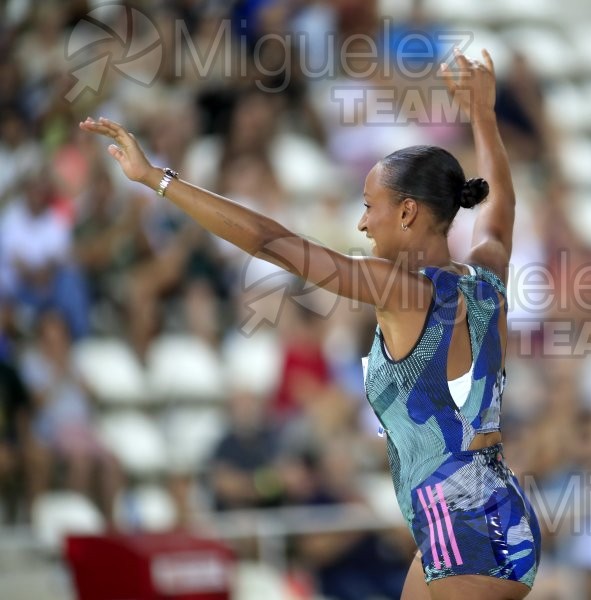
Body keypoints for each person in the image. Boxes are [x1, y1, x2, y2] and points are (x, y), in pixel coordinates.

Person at [80, 48, 541, 600]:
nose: (362, 221)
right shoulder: (485, 274)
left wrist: (157, 179)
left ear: (409, 212)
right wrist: (484, 118)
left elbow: (273, 244)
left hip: (466, 532)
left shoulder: (401, 288)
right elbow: (501, 211)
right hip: (489, 516)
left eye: (371, 205)